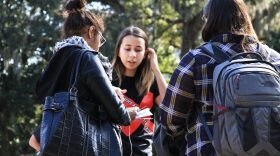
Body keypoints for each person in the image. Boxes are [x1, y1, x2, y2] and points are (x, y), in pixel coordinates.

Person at [160, 0, 280, 156]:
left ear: (209, 20)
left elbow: (170, 119)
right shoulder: (272, 58)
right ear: (244, 17)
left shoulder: (196, 59)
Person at [29, 0, 138, 154]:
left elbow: (49, 92)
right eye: (101, 38)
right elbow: (115, 110)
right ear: (91, 31)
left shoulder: (58, 58)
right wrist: (129, 115)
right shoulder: (87, 57)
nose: (100, 45)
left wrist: (106, 88)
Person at [111, 26, 167, 156]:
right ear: (118, 50)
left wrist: (156, 69)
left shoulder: (151, 82)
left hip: (143, 152)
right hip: (111, 149)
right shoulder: (106, 79)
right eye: (127, 48)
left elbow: (169, 106)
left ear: (145, 53)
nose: (132, 54)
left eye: (138, 50)